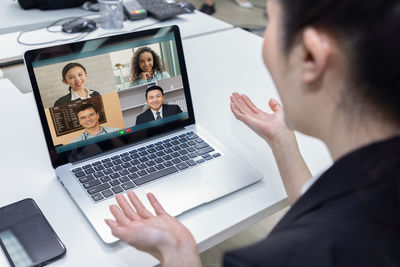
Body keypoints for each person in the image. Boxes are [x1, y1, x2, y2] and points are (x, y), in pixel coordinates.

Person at [105, 0, 400, 266]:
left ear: (310, 56)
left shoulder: (274, 259)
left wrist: (179, 253)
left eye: (270, 22)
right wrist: (281, 139)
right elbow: (330, 208)